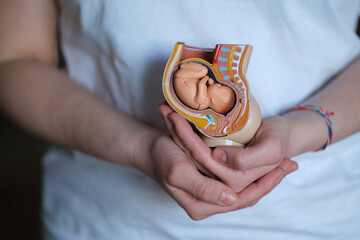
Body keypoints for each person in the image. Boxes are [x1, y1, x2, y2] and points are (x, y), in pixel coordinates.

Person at [0, 1, 359, 239]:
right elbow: (13, 60)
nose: (206, 88)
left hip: (319, 214)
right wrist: (139, 146)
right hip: (106, 220)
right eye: (202, 86)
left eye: (206, 84)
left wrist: (302, 129)